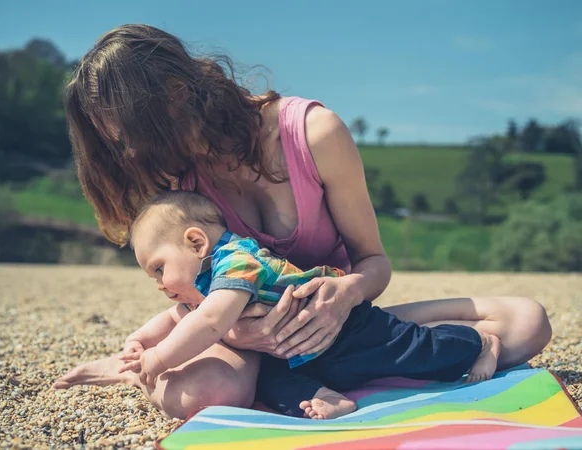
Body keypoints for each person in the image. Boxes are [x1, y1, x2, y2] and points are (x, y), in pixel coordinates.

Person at [52, 24, 552, 419]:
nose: (132, 153)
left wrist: (344, 297)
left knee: (528, 324)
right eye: (119, 144)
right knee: (205, 393)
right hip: (251, 339)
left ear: (178, 94)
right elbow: (194, 297)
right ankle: (147, 371)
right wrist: (233, 335)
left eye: (132, 136)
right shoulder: (177, 180)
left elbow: (373, 261)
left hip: (343, 323)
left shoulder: (312, 133)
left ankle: (330, 375)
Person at [118, 190, 500, 419]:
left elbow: (211, 321)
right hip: (299, 350)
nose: (159, 284)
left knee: (415, 353)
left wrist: (161, 358)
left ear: (196, 242)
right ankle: (330, 400)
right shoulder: (205, 277)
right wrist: (141, 338)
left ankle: (479, 342)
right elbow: (178, 316)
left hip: (347, 328)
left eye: (158, 268)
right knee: (273, 383)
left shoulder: (235, 262)